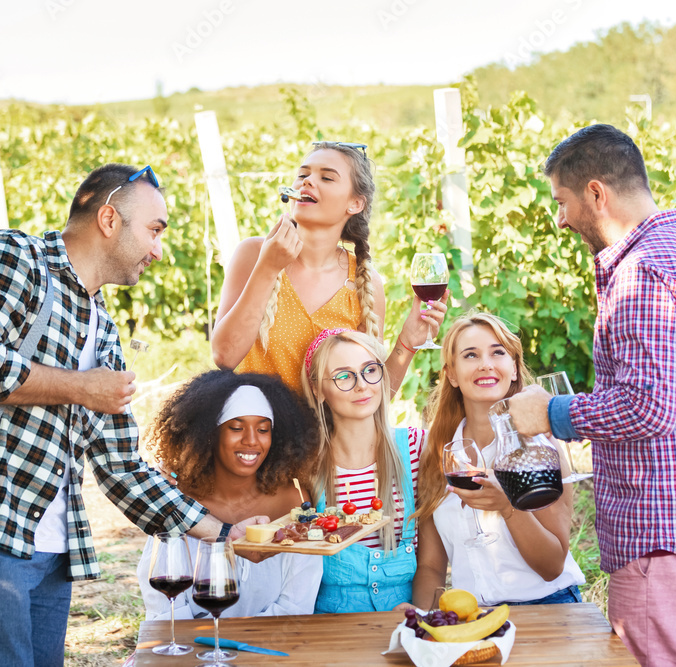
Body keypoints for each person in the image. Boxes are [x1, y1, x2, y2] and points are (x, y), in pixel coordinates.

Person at [0, 164, 262, 667]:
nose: (159, 250)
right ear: (109, 219)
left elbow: (122, 466)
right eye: (154, 231)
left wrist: (224, 533)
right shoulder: (13, 258)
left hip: (49, 549)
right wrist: (82, 388)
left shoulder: (104, 327)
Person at [508, 124, 676, 666]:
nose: (560, 218)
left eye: (563, 201)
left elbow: (648, 405)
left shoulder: (642, 274)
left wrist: (548, 412)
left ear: (596, 194)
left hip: (663, 537)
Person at [211, 141, 446, 394]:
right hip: (261, 432)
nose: (307, 181)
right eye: (303, 175)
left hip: (329, 436)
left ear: (355, 203)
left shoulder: (364, 283)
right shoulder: (254, 254)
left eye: (326, 177)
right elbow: (225, 356)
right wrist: (268, 268)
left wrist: (408, 341)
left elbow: (371, 398)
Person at [407, 312, 585, 610]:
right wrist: (422, 621)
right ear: (451, 374)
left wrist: (507, 506)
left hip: (549, 608)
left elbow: (552, 564)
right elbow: (431, 567)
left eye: (497, 352)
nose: (486, 364)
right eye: (471, 355)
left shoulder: (539, 445)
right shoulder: (437, 452)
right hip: (474, 616)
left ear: (514, 368)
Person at [137, 369, 322, 619]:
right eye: (236, 427)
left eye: (264, 430)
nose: (251, 440)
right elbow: (165, 610)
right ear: (208, 435)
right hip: (191, 651)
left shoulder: (294, 503)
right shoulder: (179, 504)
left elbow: (295, 607)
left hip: (269, 651)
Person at [299, 328, 427, 612]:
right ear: (318, 390)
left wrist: (418, 617)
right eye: (343, 376)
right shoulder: (306, 466)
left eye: (370, 370)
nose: (361, 385)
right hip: (331, 630)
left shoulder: (417, 448)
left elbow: (432, 561)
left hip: (406, 625)